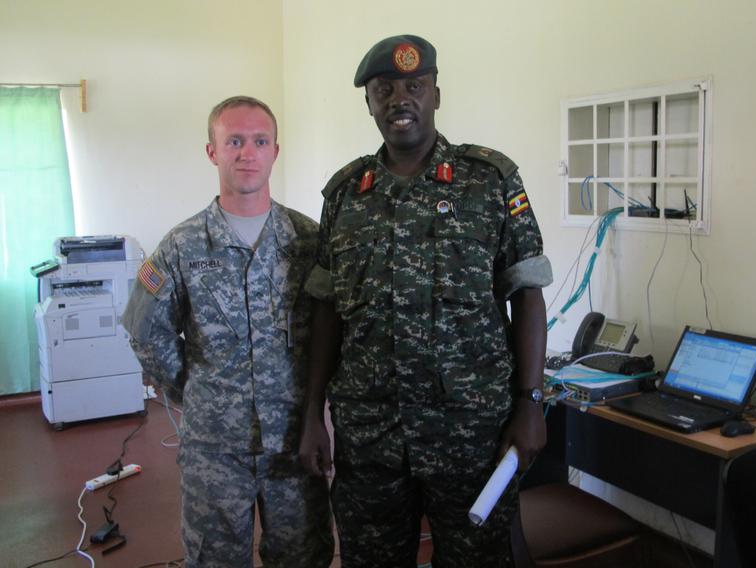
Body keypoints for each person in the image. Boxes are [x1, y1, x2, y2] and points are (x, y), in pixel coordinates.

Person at [300, 35, 553, 567]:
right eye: (383, 88)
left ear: (436, 93)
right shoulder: (345, 195)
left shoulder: (489, 181)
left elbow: (527, 294)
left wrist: (531, 403)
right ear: (368, 101)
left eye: (414, 86)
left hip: (469, 434)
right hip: (369, 437)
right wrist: (312, 414)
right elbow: (327, 310)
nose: (399, 100)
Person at [123, 96, 334, 567]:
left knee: (304, 557)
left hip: (294, 442)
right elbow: (144, 329)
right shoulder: (183, 244)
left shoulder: (308, 239)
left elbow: (333, 329)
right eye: (234, 141)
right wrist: (195, 391)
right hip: (214, 451)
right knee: (214, 560)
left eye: (259, 141)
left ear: (275, 151)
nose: (247, 153)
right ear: (212, 151)